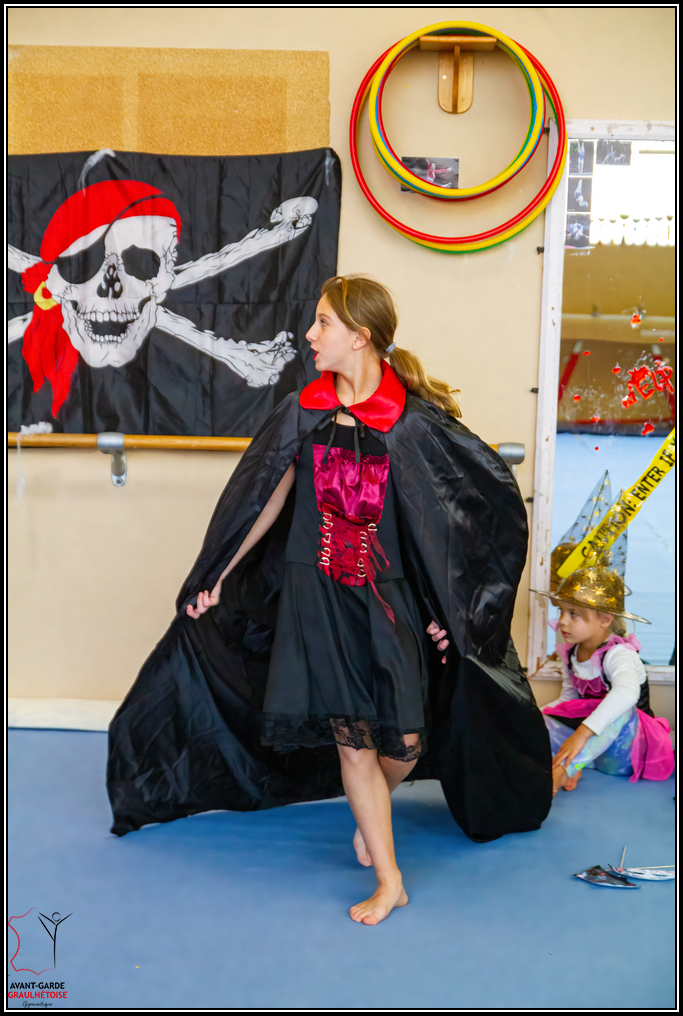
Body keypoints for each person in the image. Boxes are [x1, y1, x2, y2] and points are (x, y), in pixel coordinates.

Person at [107, 274, 552, 925]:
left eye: (323, 323)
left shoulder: (409, 422)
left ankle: (372, 817)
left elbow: (458, 519)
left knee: (403, 741)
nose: (310, 334)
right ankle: (390, 879)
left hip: (388, 600)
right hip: (317, 598)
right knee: (353, 743)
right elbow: (264, 497)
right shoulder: (304, 411)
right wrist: (219, 573)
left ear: (360, 336)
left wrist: (453, 610)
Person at [533, 566, 674, 796]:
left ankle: (566, 769)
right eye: (561, 611)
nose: (562, 622)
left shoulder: (619, 653)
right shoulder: (570, 654)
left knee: (621, 708)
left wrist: (581, 733)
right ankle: (572, 764)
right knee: (536, 720)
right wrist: (533, 718)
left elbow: (627, 693)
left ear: (605, 619)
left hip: (625, 754)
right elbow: (567, 702)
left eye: (573, 614)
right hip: (593, 754)